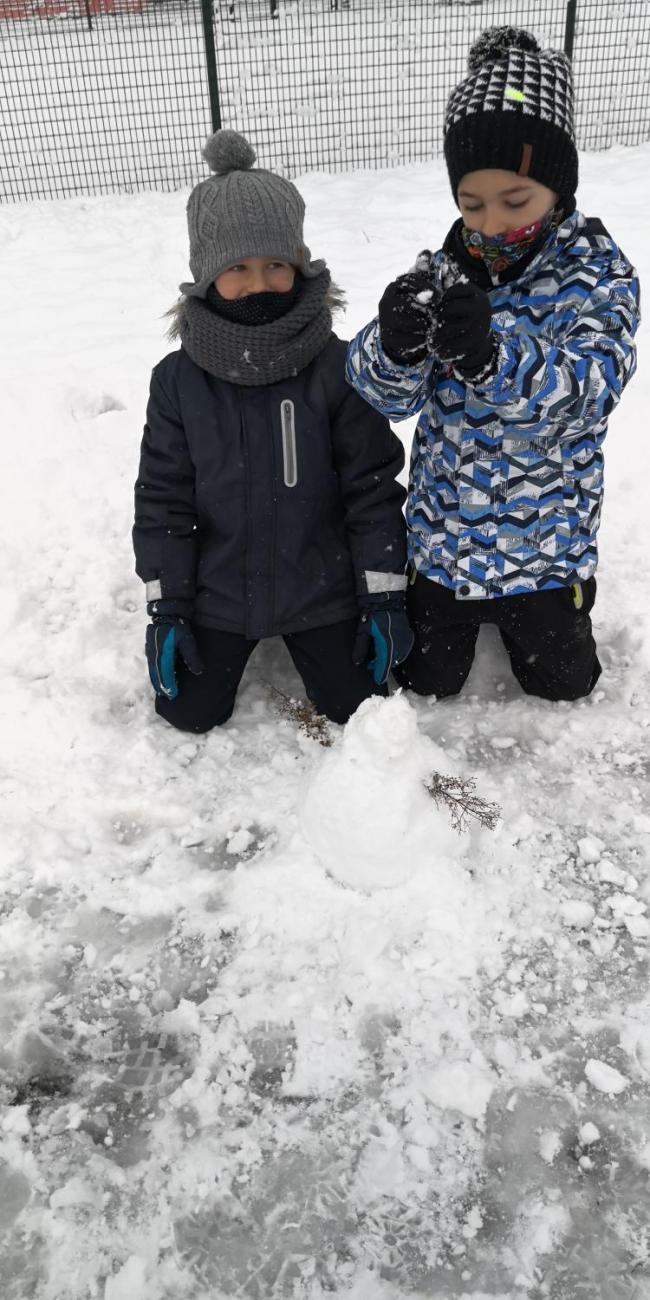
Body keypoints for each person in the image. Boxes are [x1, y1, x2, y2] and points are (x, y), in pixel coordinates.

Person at [346, 26, 640, 703]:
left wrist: (493, 355)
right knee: (426, 682)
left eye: (515, 201)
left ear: (557, 188)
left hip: (546, 545)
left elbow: (589, 391)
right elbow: (382, 394)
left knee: (564, 686)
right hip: (447, 543)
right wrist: (392, 346)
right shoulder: (447, 269)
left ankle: (555, 610)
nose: (492, 225)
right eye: (470, 203)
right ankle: (450, 613)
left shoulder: (598, 278)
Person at [133, 129, 413, 732]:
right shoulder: (178, 382)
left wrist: (384, 595)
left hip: (322, 585)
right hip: (220, 593)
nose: (259, 282)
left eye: (276, 265)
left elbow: (372, 486)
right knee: (188, 712)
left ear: (299, 267)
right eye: (237, 267)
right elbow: (164, 499)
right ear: (207, 276)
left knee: (358, 709)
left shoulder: (336, 367)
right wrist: (167, 608)